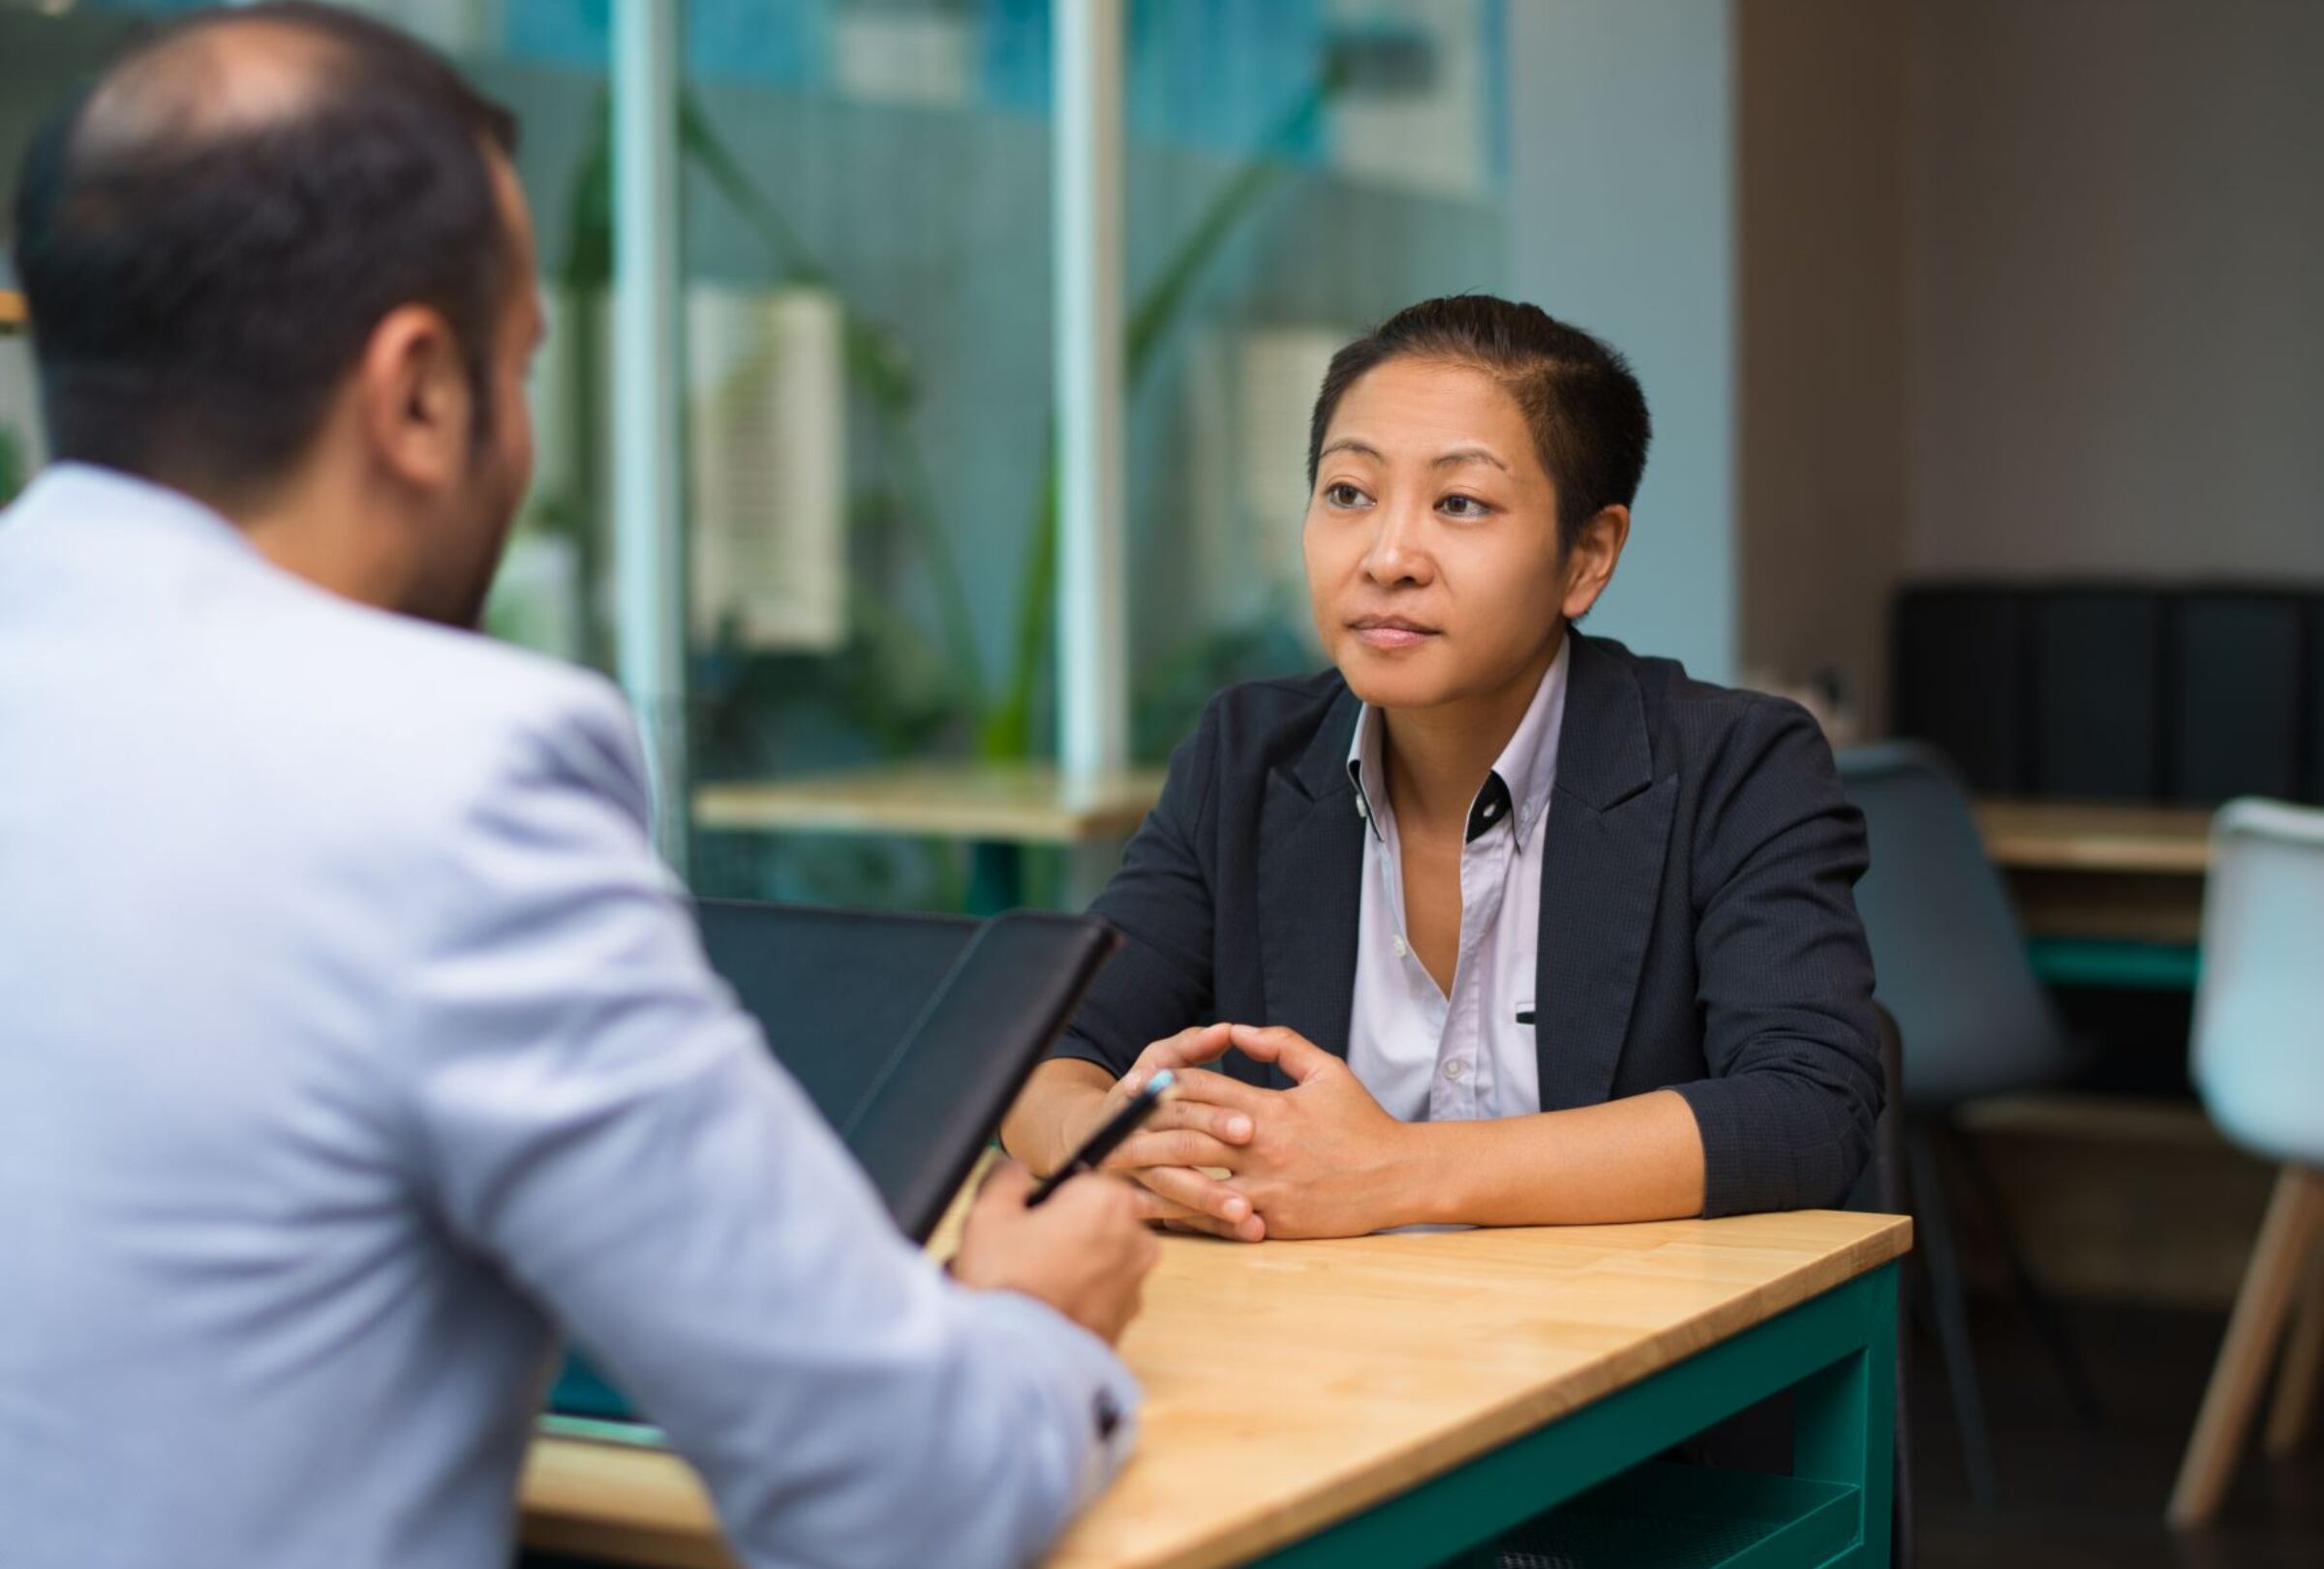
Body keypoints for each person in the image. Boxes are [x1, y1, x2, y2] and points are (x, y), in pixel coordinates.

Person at [0, 9, 1152, 1568]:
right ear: (417, 393)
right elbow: (902, 1487)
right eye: (524, 364)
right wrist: (1026, 1327)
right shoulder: (443, 775)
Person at [1002, 296, 1881, 1241]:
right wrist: (1105, 1141)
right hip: (1323, 1353)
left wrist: (1396, 1173)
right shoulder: (1246, 755)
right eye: (1349, 494)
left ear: (1587, 557)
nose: (1387, 556)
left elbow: (1808, 1107)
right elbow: (1039, 1051)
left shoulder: (1734, 765)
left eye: (1460, 503)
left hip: (1620, 1348)